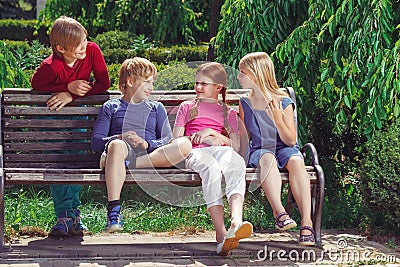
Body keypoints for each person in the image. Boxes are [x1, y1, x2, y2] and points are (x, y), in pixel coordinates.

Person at [91, 57, 192, 233]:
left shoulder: (156, 107)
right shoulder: (111, 107)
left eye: (152, 82)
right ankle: (114, 211)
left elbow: (167, 138)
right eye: (146, 82)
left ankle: (130, 166)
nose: (151, 87)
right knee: (115, 145)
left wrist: (147, 143)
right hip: (121, 152)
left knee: (184, 144)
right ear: (130, 82)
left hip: (150, 155)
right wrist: (121, 137)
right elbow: (96, 141)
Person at [30, 16, 110, 237]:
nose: (85, 46)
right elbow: (36, 84)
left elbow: (104, 84)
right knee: (59, 160)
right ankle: (65, 215)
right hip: (54, 121)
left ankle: (71, 214)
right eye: (78, 44)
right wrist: (67, 85)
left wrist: (70, 93)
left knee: (75, 159)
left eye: (85, 40)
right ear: (60, 48)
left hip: (79, 119)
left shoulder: (92, 51)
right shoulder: (50, 66)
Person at [173, 62, 253, 256]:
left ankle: (236, 221)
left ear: (218, 87)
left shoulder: (228, 112)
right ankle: (221, 234)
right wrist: (200, 137)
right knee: (211, 169)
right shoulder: (187, 106)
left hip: (220, 149)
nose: (198, 88)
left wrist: (212, 134)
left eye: (204, 84)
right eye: (197, 83)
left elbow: (235, 145)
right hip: (196, 152)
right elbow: (176, 140)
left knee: (236, 163)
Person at [237, 52, 315, 246]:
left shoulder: (283, 100)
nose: (238, 77)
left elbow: (290, 140)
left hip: (284, 147)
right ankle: (279, 212)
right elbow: (244, 140)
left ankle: (307, 223)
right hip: (261, 149)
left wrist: (277, 118)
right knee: (266, 159)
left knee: (297, 161)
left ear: (256, 74)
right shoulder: (244, 103)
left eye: (242, 72)